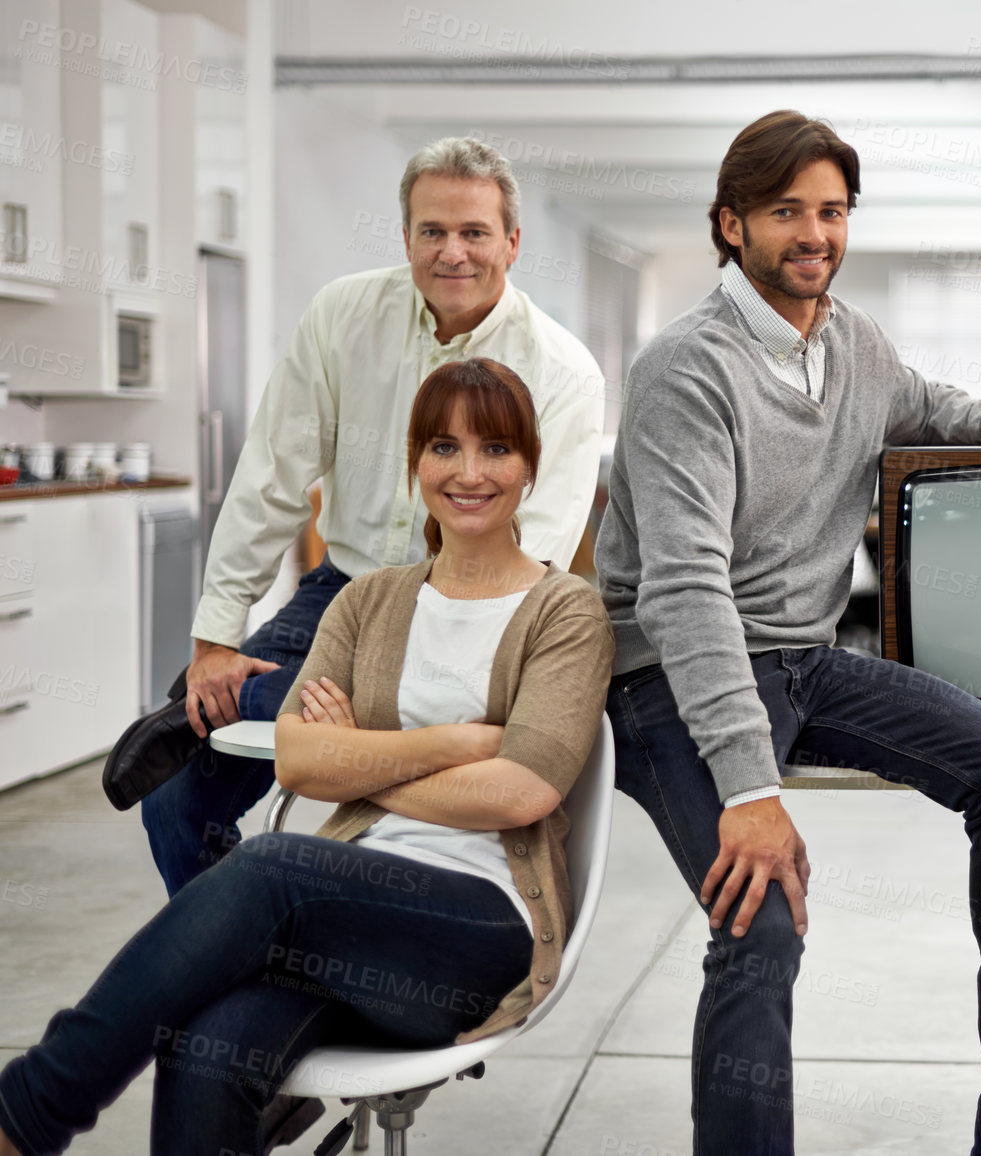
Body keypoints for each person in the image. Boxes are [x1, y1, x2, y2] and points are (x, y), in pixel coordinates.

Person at [595, 109, 981, 1156]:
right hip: (669, 674)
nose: (814, 232)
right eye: (786, 211)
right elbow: (684, 591)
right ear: (732, 226)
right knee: (761, 918)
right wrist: (750, 791)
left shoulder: (853, 341)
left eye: (831, 210)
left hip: (806, 662)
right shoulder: (684, 368)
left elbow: (922, 401)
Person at [0, 359, 612, 1156]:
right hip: (344, 920)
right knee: (206, 1045)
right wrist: (453, 744)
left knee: (271, 867)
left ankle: (28, 1113)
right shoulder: (369, 601)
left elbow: (520, 791)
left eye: (495, 448)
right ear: (414, 464)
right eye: (442, 447)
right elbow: (299, 762)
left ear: (529, 465)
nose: (468, 472)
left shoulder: (564, 612)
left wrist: (358, 754)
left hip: (477, 930)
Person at [104, 136, 607, 896]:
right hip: (342, 591)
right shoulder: (344, 315)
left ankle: (262, 700)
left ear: (511, 242)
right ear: (405, 236)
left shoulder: (561, 370)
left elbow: (536, 552)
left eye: (474, 232)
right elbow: (271, 475)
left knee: (395, 742)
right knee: (177, 798)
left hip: (474, 612)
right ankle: (233, 964)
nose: (453, 252)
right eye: (431, 231)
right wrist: (215, 642)